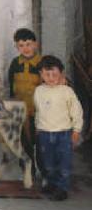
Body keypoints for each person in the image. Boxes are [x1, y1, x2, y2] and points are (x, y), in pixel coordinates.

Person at [34, 55, 83, 201]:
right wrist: (37, 127)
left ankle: (62, 188)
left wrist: (76, 130)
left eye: (54, 74)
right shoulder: (39, 91)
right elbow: (38, 110)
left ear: (61, 74)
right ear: (41, 75)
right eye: (46, 74)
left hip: (63, 133)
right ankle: (52, 184)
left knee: (63, 162)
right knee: (48, 162)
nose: (51, 77)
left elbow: (77, 111)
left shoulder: (66, 91)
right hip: (44, 133)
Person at [8, 27, 42, 177]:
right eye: (21, 45)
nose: (25, 48)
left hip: (39, 110)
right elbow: (11, 86)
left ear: (35, 45)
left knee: (40, 143)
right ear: (16, 47)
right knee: (24, 142)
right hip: (21, 110)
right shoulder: (15, 63)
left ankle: (45, 172)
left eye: (28, 44)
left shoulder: (42, 63)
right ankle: (28, 171)